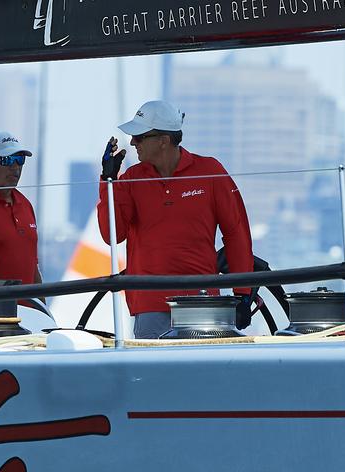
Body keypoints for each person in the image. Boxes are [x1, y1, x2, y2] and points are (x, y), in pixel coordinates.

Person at [97, 100, 253, 339]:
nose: (132, 143)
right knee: (152, 376)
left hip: (202, 302)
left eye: (139, 137)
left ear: (163, 141)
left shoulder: (210, 171)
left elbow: (236, 232)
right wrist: (109, 182)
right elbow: (113, 235)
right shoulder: (130, 179)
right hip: (149, 302)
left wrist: (242, 293)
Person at [0, 132, 40, 285]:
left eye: (20, 160)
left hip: (28, 308)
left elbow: (33, 267)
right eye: (7, 160)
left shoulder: (25, 204)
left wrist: (42, 307)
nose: (15, 167)